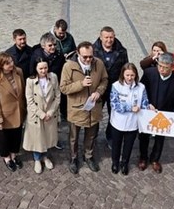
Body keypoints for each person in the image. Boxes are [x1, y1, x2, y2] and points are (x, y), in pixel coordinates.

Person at [60, 41, 108, 174]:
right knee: (73, 137)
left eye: (90, 56)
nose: (88, 59)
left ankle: (88, 156)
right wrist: (80, 84)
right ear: (77, 53)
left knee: (91, 135)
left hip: (93, 108)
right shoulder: (69, 66)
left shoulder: (99, 63)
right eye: (85, 57)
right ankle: (74, 158)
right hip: (77, 109)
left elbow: (104, 80)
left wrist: (98, 91)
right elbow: (63, 88)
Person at [139, 53, 174, 173]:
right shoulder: (149, 73)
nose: (162, 69)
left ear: (172, 66)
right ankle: (143, 157)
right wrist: (146, 104)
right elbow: (140, 91)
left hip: (166, 114)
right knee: (144, 136)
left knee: (160, 138)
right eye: (160, 66)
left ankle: (155, 159)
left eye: (165, 67)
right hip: (148, 111)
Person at [0, 53, 27, 172]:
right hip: (5, 114)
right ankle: (7, 158)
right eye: (7, 63)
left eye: (11, 61)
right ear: (0, 65)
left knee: (17, 135)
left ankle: (14, 155)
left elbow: (23, 91)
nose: (11, 64)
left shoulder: (18, 72)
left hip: (19, 111)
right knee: (4, 138)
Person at [109, 63, 149, 175]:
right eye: (127, 75)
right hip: (118, 122)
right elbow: (114, 104)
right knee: (116, 144)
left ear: (135, 75)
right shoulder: (116, 86)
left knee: (128, 145)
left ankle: (124, 163)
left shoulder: (141, 87)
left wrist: (148, 107)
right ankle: (115, 163)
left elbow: (145, 103)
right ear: (123, 74)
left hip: (133, 123)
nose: (130, 78)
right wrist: (130, 108)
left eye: (132, 75)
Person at [93, 26, 129, 146]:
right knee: (95, 113)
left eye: (111, 37)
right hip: (98, 87)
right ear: (101, 37)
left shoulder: (122, 51)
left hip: (115, 88)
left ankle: (111, 136)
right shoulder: (93, 50)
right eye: (106, 37)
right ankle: (93, 135)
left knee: (113, 113)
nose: (109, 40)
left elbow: (125, 68)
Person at [23, 59, 60, 174]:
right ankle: (37, 159)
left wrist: (50, 112)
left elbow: (58, 96)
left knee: (47, 137)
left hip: (50, 114)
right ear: (35, 68)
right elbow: (29, 101)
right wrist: (41, 114)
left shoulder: (53, 77)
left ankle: (45, 156)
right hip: (36, 115)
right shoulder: (30, 81)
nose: (44, 71)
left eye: (45, 68)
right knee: (37, 138)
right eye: (41, 68)